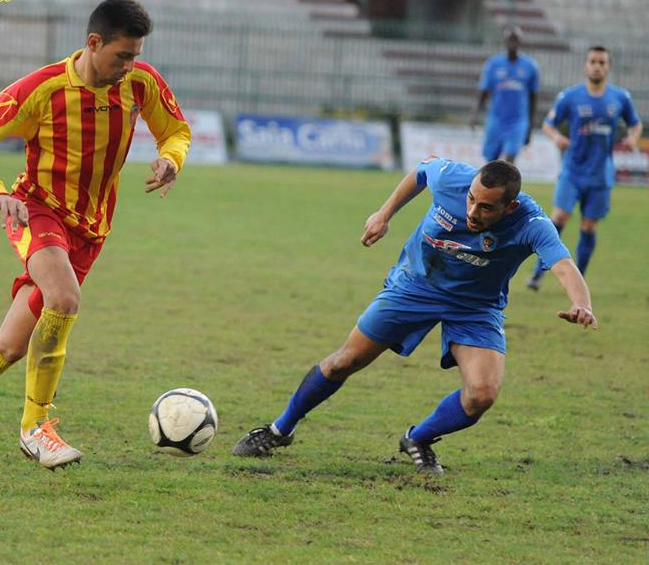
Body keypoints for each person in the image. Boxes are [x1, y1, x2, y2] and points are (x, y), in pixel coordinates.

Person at [0, 0, 191, 469]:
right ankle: (35, 428)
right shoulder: (42, 90)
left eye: (135, 56)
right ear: (92, 42)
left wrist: (171, 159)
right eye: (122, 56)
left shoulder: (141, 83)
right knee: (63, 299)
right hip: (35, 211)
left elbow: (176, 131)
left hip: (92, 229)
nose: (130, 66)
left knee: (8, 348)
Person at [233, 158, 597, 474]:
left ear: (510, 206)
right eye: (471, 199)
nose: (473, 211)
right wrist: (384, 214)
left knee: (482, 394)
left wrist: (582, 303)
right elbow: (421, 171)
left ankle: (417, 439)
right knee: (344, 361)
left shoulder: (532, 223)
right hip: (416, 285)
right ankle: (279, 430)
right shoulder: (452, 176)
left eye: (486, 208)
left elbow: (563, 265)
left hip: (475, 307)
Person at [527, 45, 642, 290]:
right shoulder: (570, 96)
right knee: (558, 218)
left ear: (608, 67)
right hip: (573, 170)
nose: (597, 66)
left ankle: (580, 277)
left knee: (588, 226)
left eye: (602, 62)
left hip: (601, 174)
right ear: (586, 65)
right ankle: (538, 273)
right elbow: (548, 124)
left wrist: (633, 138)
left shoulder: (620, 97)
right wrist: (556, 137)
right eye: (593, 61)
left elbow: (635, 124)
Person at [470, 26, 539, 164]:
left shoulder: (530, 66)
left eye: (516, 40)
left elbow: (533, 98)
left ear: (520, 42)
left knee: (509, 161)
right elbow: (483, 91)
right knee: (491, 162)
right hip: (496, 120)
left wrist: (530, 127)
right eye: (510, 40)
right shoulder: (493, 64)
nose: (513, 43)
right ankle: (490, 186)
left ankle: (506, 186)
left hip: (518, 121)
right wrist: (475, 114)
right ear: (505, 41)